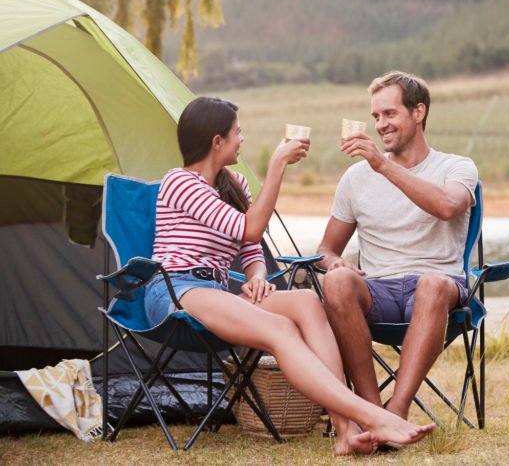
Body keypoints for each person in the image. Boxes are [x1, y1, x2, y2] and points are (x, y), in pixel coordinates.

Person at [143, 96, 433, 456]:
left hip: (215, 291)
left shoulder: (235, 185)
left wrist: (259, 274)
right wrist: (278, 165)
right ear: (217, 141)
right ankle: (374, 417)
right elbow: (248, 229)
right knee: (280, 329)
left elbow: (250, 250)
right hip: (175, 290)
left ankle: (345, 432)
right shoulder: (179, 182)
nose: (242, 139)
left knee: (307, 302)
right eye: (237, 133)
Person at [316, 71, 478, 441]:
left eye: (389, 114)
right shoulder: (355, 178)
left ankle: (398, 410)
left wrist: (382, 165)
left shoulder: (456, 167)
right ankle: (372, 413)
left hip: (439, 290)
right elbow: (326, 249)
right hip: (380, 290)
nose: (380, 125)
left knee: (433, 284)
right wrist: (334, 263)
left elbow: (447, 206)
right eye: (375, 117)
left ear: (418, 112)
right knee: (338, 282)